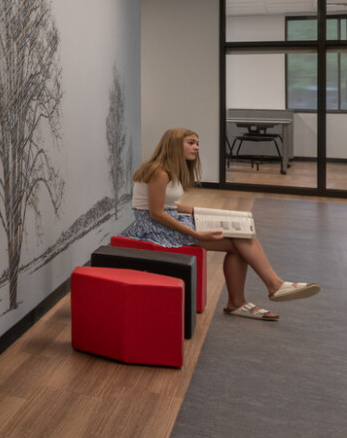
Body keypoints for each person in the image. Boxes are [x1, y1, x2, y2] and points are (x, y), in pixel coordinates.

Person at [124, 128, 318, 320]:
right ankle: (261, 291)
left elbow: (169, 205)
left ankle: (253, 295)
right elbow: (156, 213)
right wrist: (197, 235)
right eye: (191, 143)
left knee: (240, 236)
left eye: (197, 143)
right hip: (153, 228)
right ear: (174, 145)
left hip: (167, 220)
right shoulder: (159, 172)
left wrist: (204, 212)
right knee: (238, 244)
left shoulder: (170, 171)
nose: (196, 147)